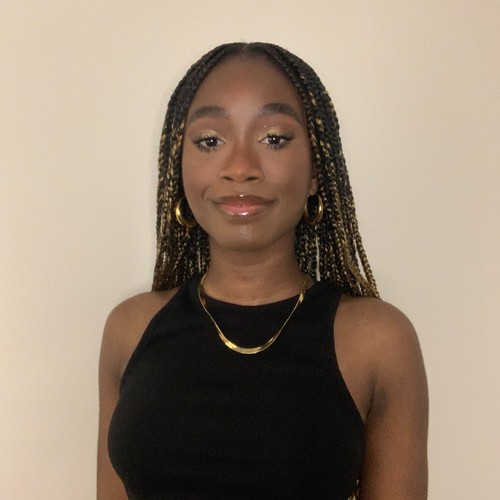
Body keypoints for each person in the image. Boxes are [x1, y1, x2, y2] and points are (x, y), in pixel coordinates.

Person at [97, 42, 428, 499]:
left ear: (316, 170)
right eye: (210, 141)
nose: (240, 168)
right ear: (179, 167)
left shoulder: (377, 341)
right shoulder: (130, 330)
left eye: (274, 138)